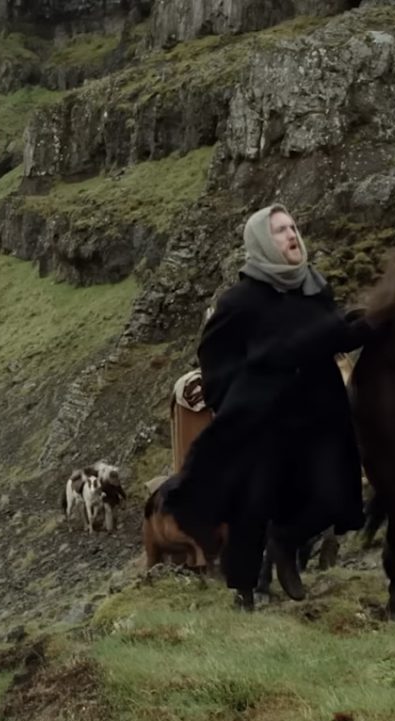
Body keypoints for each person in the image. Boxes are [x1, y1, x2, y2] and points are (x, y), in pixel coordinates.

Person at [160, 204, 377, 609]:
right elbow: (214, 355)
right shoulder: (240, 301)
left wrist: (374, 323)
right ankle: (244, 592)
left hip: (320, 417)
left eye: (293, 227)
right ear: (261, 241)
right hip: (266, 423)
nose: (292, 235)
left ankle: (286, 543)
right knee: (253, 505)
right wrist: (234, 400)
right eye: (279, 230)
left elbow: (333, 337)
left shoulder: (314, 288)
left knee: (333, 494)